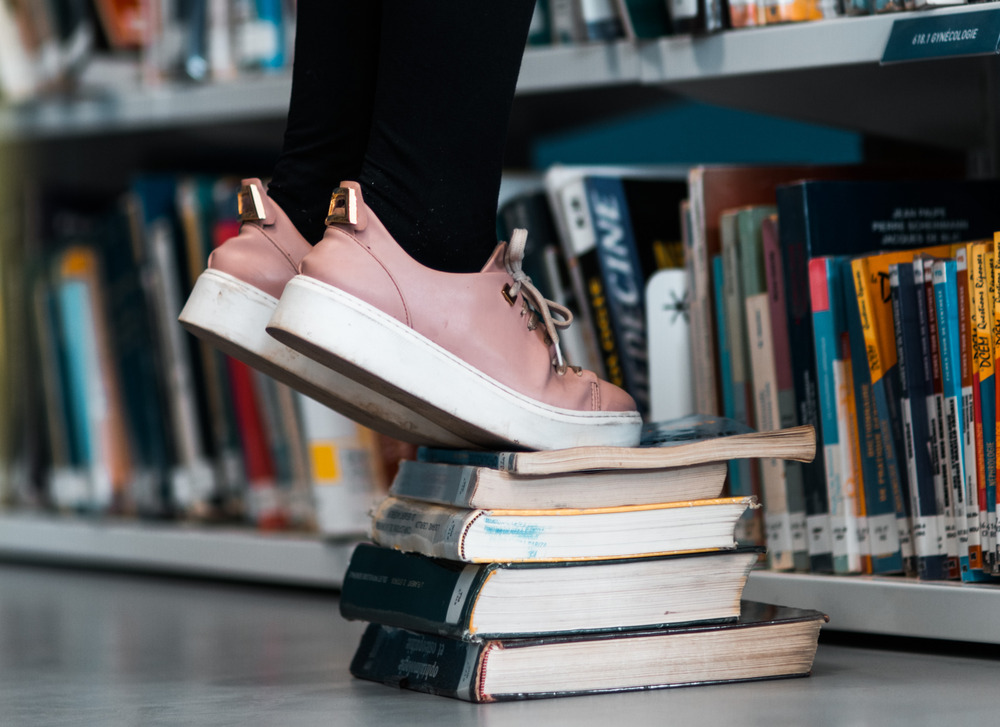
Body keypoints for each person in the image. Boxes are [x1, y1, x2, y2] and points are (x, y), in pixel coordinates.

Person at [179, 0, 641, 452]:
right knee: (416, 205)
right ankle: (418, 238)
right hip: (411, 240)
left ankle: (303, 223)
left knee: (325, 177)